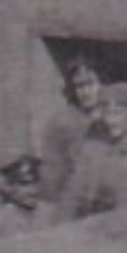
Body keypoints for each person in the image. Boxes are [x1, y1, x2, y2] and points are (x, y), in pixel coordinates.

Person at [54, 82, 127, 222]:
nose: (112, 121)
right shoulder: (93, 147)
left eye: (119, 113)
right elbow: (72, 192)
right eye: (107, 113)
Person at [37, 56, 104, 205]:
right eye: (79, 86)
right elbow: (52, 173)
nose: (85, 92)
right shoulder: (63, 123)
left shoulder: (113, 118)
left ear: (102, 84)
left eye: (90, 84)